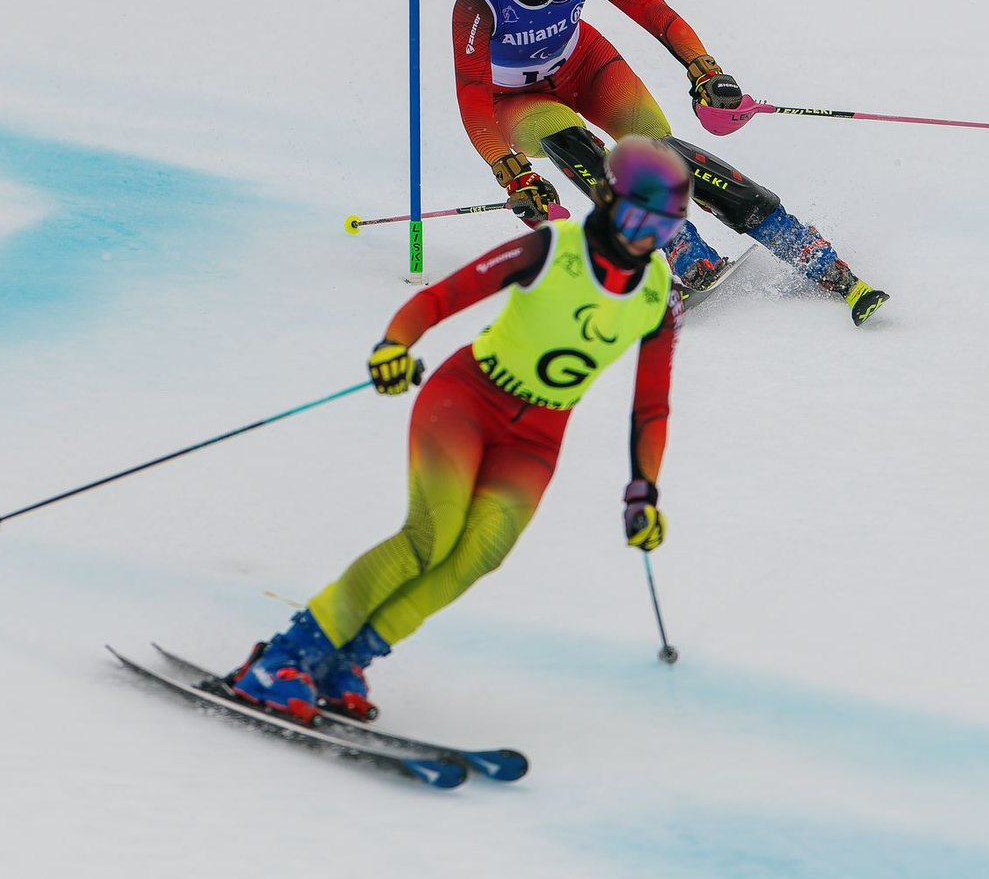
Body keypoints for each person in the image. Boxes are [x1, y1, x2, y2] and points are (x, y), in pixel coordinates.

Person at [230, 137, 690, 721]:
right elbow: (443, 298)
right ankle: (284, 658)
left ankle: (345, 660)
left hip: (538, 436)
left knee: (479, 553)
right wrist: (395, 346)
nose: (643, 240)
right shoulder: (551, 247)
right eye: (634, 219)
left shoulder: (659, 300)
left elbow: (650, 408)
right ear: (603, 199)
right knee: (431, 536)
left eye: (664, 229)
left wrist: (643, 490)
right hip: (469, 399)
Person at [452, 0, 888, 326]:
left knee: (657, 151)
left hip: (585, 65)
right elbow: (472, 94)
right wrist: (508, 169)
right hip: (516, 98)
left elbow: (653, 10)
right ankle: (677, 242)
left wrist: (704, 69)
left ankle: (795, 241)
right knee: (573, 144)